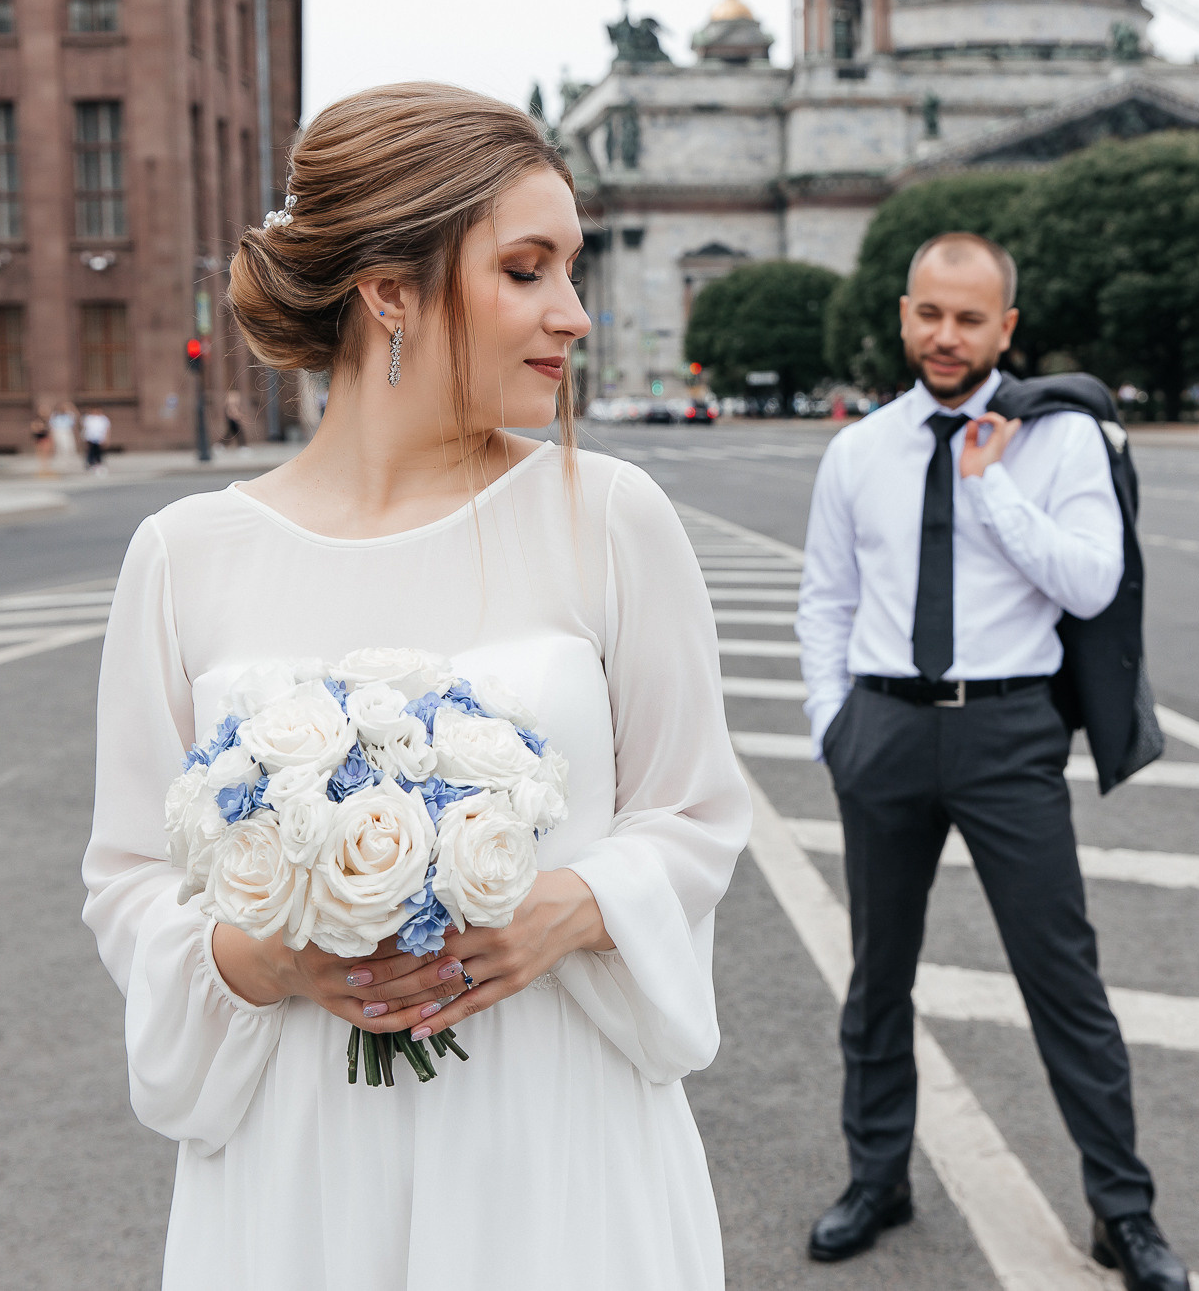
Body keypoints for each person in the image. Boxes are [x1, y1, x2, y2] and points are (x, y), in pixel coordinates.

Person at [81, 83, 750, 1290]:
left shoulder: (606, 517)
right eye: (527, 271)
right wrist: (261, 957)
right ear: (389, 290)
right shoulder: (184, 557)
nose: (574, 315)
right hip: (298, 1168)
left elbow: (696, 816)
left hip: (553, 1147)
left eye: (571, 270)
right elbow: (129, 879)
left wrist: (568, 905)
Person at [795, 232, 1188, 1291]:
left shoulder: (1061, 444)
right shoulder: (858, 450)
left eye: (970, 318)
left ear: (1005, 328)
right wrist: (832, 723)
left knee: (1062, 979)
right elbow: (824, 598)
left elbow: (1093, 584)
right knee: (875, 976)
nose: (945, 335)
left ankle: (1123, 1211)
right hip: (880, 729)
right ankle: (876, 1177)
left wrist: (992, 489)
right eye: (929, 312)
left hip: (1007, 733)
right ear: (902, 313)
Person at [81, 406, 111, 473]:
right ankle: (90, 463)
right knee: (91, 451)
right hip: (90, 437)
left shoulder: (103, 419)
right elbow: (85, 428)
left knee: (99, 451)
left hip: (99, 437)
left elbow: (107, 429)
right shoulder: (88, 418)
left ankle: (99, 463)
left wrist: (106, 438)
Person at [29, 410, 53, 475]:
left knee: (46, 453)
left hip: (45, 438)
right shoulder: (36, 421)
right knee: (40, 454)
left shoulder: (48, 421)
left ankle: (46, 467)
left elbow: (49, 430)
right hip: (39, 439)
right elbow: (34, 429)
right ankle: (42, 467)